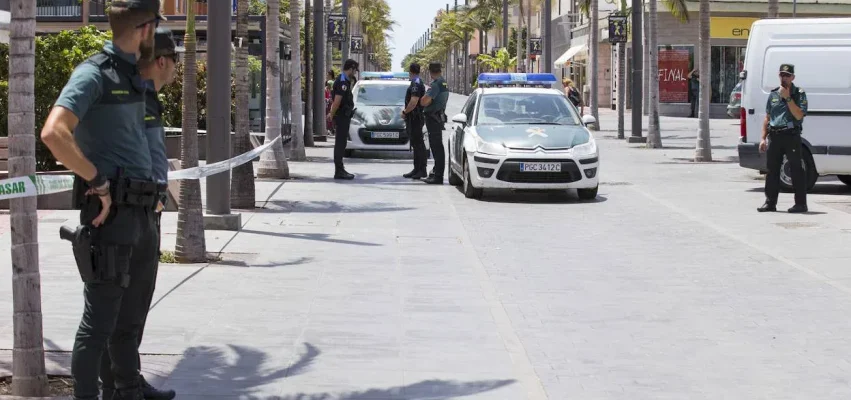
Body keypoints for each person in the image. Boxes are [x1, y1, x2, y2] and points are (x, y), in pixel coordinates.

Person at [39, 1, 165, 399]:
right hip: (111, 218)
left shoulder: (132, 76)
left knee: (129, 322)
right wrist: (97, 181)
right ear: (145, 29)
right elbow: (54, 132)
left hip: (143, 214)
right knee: (98, 326)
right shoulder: (94, 73)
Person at [97, 27, 178, 400]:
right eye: (174, 61)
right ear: (162, 61)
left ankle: (123, 381)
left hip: (144, 210)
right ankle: (122, 386)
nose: (176, 69)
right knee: (123, 308)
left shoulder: (144, 96)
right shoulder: (128, 96)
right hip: (126, 213)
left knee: (132, 305)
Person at [758, 63, 809, 214]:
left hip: (791, 135)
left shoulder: (798, 93)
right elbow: (767, 118)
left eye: (787, 75)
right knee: (772, 170)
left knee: (796, 170)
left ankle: (800, 204)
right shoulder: (773, 94)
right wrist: (763, 138)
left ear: (793, 77)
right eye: (782, 75)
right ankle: (770, 203)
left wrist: (787, 98)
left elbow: (799, 115)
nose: (784, 78)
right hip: (775, 135)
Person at [327, 59, 358, 179]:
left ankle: (340, 169)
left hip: (343, 116)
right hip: (341, 116)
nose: (354, 73)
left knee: (342, 142)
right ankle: (339, 171)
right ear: (350, 69)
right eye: (354, 71)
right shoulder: (342, 82)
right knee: (340, 143)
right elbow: (337, 101)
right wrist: (331, 114)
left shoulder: (344, 80)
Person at [420, 62, 449, 184]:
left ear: (431, 72)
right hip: (438, 117)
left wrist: (423, 99)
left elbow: (424, 102)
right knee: (438, 147)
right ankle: (436, 173)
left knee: (436, 147)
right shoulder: (443, 82)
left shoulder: (436, 85)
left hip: (433, 118)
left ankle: (438, 176)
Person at [401, 63, 427, 179]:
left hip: (415, 117)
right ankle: (417, 169)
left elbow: (414, 101)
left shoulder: (416, 83)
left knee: (418, 145)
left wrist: (405, 112)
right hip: (414, 118)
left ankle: (421, 170)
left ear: (410, 72)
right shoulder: (416, 82)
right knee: (416, 145)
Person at [325, 70, 335, 134]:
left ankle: (330, 129)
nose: (327, 76)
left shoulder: (332, 83)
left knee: (330, 115)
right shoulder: (327, 83)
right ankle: (330, 129)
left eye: (328, 75)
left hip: (330, 102)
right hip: (328, 102)